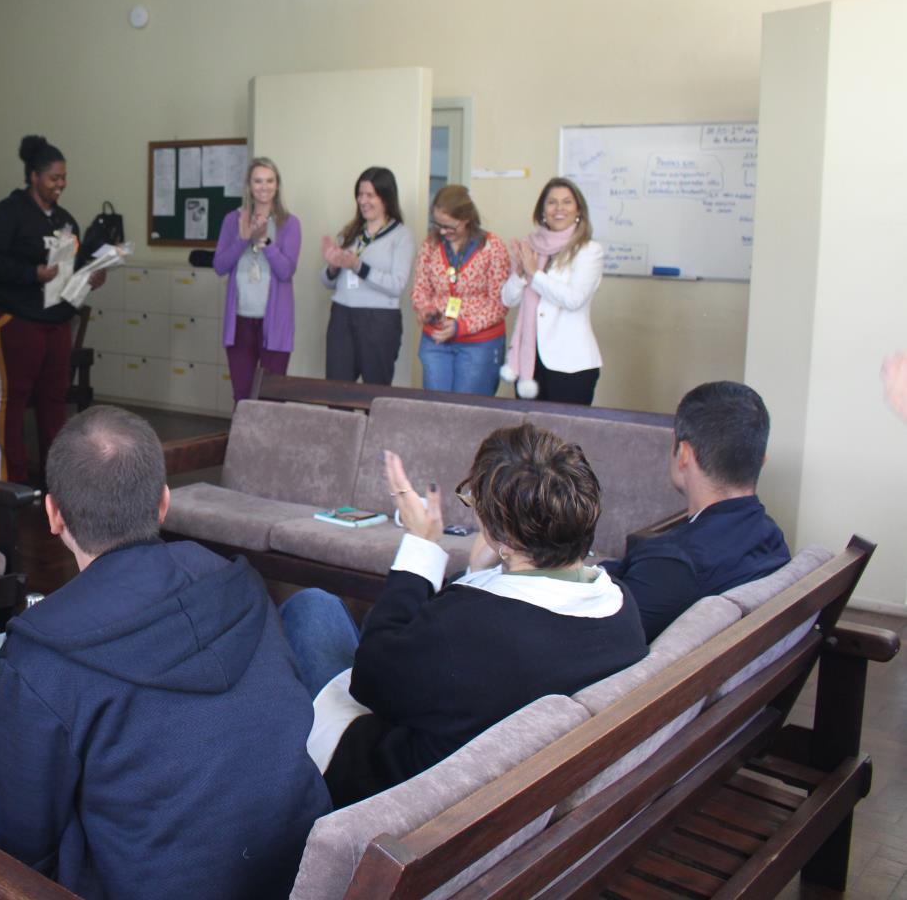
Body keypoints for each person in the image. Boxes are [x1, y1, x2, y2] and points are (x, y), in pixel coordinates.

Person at [0, 407, 331, 899]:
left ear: (53, 514)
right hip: (289, 876)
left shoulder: (45, 649)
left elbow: (16, 847)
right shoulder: (241, 586)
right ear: (162, 503)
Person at [280, 424, 647, 809]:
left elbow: (370, 680)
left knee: (311, 609)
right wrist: (479, 571)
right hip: (499, 777)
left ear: (498, 533)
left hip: (389, 790)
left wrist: (421, 547)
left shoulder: (470, 629)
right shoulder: (620, 607)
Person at [602, 381, 790, 641]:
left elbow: (602, 641)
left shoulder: (674, 563)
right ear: (761, 461)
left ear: (684, 454)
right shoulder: (770, 536)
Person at [0, 134, 105, 483]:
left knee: (53, 398)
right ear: (34, 176)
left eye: (64, 178)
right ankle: (11, 484)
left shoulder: (65, 220)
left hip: (55, 317)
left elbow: (69, 269)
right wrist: (32, 273)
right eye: (54, 178)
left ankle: (56, 481)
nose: (61, 184)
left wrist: (88, 277)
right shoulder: (7, 213)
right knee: (13, 397)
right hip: (13, 313)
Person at [500, 178, 604, 404]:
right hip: (529, 361)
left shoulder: (589, 251)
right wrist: (519, 274)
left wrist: (533, 273)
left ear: (578, 210)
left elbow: (573, 299)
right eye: (552, 202)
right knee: (528, 437)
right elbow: (507, 299)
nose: (559, 209)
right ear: (542, 210)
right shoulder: (530, 246)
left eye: (567, 202)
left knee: (563, 438)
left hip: (570, 364)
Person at [213, 156, 302, 401]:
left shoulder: (290, 223)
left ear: (277, 185)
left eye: (270, 181)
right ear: (249, 186)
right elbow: (219, 266)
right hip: (240, 322)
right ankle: (242, 441)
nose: (264, 187)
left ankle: (271, 441)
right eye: (258, 181)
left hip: (274, 323)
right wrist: (244, 238)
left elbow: (286, 271)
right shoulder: (233, 220)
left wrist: (264, 242)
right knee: (242, 396)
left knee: (272, 397)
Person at [410, 185, 512, 396]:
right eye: (437, 224)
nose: (442, 231)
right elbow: (420, 289)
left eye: (449, 226)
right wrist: (425, 309)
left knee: (468, 414)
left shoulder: (492, 247)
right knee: (436, 409)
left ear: (466, 219)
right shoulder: (430, 245)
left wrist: (461, 326)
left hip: (479, 345)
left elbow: (499, 304)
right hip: (436, 342)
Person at [321, 166, 413, 385]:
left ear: (386, 198)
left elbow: (397, 285)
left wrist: (359, 266)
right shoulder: (350, 232)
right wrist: (333, 267)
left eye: (370, 195)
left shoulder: (401, 236)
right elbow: (326, 282)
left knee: (375, 394)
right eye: (360, 195)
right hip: (342, 317)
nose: (363, 201)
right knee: (337, 391)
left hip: (379, 321)